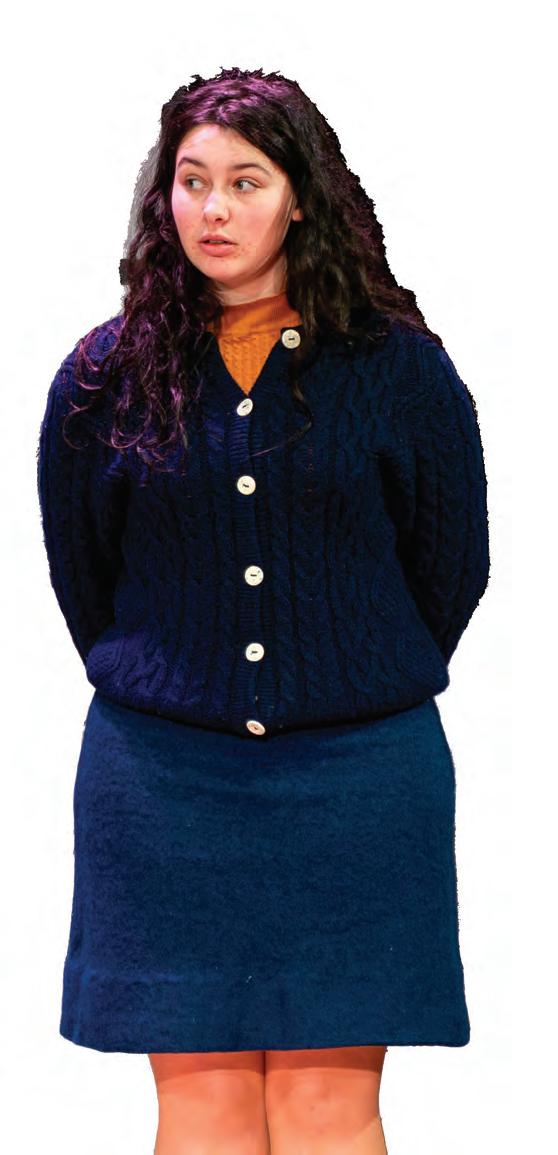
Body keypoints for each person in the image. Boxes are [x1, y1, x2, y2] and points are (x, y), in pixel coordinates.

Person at [36, 66, 491, 1155]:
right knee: (205, 1110)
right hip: (163, 784)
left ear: (301, 197)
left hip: (358, 784)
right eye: (192, 181)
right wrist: (185, 682)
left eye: (246, 182)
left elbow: (450, 570)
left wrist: (337, 678)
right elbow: (85, 579)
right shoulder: (105, 376)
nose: (214, 209)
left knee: (326, 1110)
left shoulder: (399, 371)